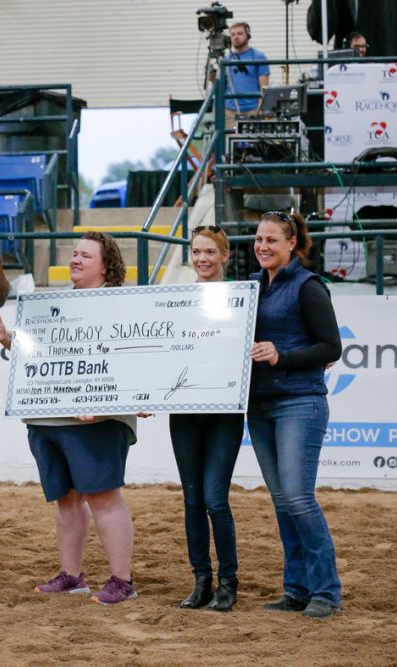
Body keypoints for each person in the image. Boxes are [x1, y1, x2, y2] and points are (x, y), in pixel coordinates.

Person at [0, 231, 144, 606]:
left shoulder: (122, 305)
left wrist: (116, 402)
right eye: (74, 254)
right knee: (66, 500)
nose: (75, 259)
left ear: (106, 266)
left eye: (85, 256)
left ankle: (122, 580)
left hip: (97, 420)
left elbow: (137, 354)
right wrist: (10, 340)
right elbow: (42, 357)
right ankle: (72, 576)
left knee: (104, 497)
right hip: (48, 417)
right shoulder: (52, 304)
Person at [248, 210, 343, 620]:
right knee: (284, 501)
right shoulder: (251, 287)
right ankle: (296, 588)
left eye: (272, 240)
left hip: (299, 401)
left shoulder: (308, 286)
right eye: (258, 239)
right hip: (259, 403)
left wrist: (281, 356)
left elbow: (331, 348)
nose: (263, 247)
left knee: (299, 499)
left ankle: (326, 591)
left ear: (291, 243)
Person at [171, 225, 244, 612]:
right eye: (197, 252)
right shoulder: (176, 299)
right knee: (192, 499)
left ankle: (228, 582)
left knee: (215, 498)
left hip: (223, 412)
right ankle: (202, 580)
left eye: (210, 252)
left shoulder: (241, 299)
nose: (202, 259)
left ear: (225, 256)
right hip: (184, 412)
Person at [223, 22, 270, 127]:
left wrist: (260, 109)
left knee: (254, 143)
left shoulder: (259, 56)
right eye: (233, 34)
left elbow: (264, 87)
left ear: (247, 35)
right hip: (230, 111)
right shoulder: (226, 59)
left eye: (240, 33)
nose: (236, 37)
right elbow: (221, 87)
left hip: (253, 110)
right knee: (230, 142)